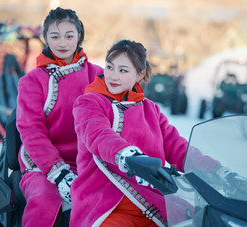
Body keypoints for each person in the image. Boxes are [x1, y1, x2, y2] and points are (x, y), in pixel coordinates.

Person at [70, 40, 198, 226]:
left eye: (123, 70)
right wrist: (127, 155)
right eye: (110, 67)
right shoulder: (89, 102)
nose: (113, 76)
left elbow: (176, 146)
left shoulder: (150, 109)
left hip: (154, 203)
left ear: (140, 75)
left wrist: (213, 169)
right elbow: (97, 134)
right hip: (107, 202)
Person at [16, 7, 103, 227]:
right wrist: (57, 171)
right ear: (45, 38)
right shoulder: (32, 81)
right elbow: (31, 130)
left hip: (90, 162)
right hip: (42, 162)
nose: (62, 42)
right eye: (55, 36)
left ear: (79, 36)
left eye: (69, 36)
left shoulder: (99, 75)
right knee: (44, 202)